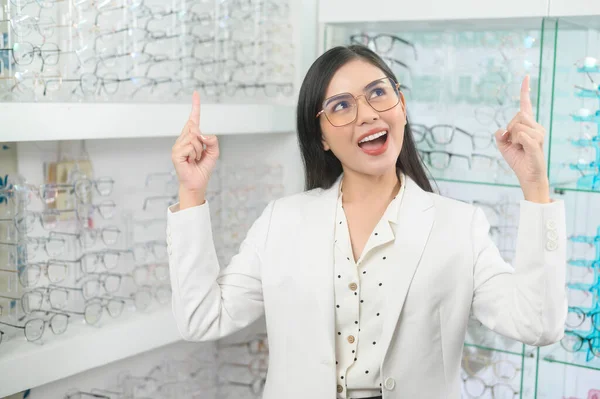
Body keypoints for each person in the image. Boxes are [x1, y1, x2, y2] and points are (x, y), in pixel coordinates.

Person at [166, 45, 567, 399]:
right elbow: (203, 318)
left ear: (402, 107)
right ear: (320, 136)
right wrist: (191, 192)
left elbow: (539, 324)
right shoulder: (281, 222)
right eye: (341, 105)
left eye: (378, 93)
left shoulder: (460, 226)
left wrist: (536, 185)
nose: (368, 114)